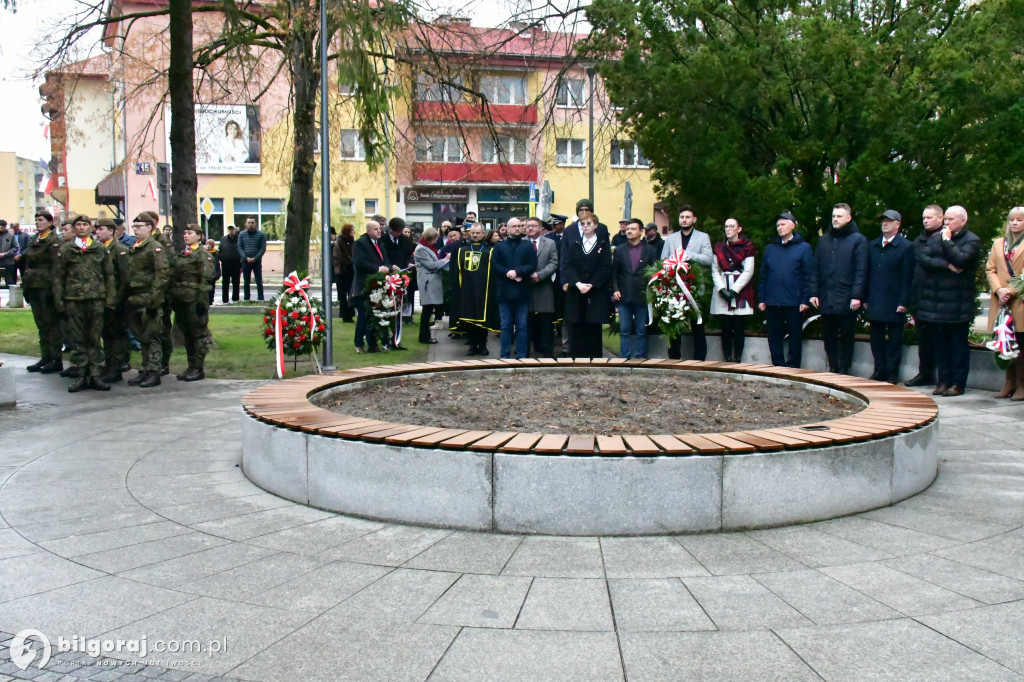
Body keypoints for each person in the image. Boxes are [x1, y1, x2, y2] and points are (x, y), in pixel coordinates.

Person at [914, 205, 981, 396]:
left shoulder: (971, 240)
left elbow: (962, 260)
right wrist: (946, 265)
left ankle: (958, 383)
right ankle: (943, 381)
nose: (947, 223)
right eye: (946, 220)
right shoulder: (936, 237)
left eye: (951, 219)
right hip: (936, 303)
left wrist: (947, 242)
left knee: (958, 346)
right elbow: (924, 258)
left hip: (958, 302)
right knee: (941, 345)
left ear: (963, 220)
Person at [53, 214, 115, 392]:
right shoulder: (66, 250)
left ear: (91, 228)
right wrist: (59, 302)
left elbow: (109, 275)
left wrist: (110, 300)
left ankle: (95, 374)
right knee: (78, 339)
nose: (81, 227)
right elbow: (58, 277)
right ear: (74, 228)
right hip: (74, 300)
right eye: (78, 225)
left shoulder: (100, 249)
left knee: (95, 338)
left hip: (96, 299)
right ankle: (81, 374)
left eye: (85, 224)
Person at [809, 203, 868, 375]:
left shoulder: (858, 240)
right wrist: (813, 292)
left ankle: (844, 368)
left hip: (847, 297)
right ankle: (833, 366)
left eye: (839, 216)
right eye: (833, 216)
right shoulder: (824, 240)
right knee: (828, 335)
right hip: (827, 297)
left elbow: (861, 270)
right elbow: (815, 268)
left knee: (847, 336)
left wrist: (857, 295)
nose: (835, 219)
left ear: (848, 218)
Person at [864, 210, 915, 383]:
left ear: (897, 224)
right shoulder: (873, 245)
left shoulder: (906, 247)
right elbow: (867, 273)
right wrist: (865, 297)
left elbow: (908, 276)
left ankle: (893, 372)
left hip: (895, 300)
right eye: (883, 220)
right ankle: (880, 369)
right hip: (876, 298)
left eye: (889, 220)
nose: (885, 223)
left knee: (894, 339)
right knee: (876, 337)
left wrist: (904, 301)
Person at [758, 212, 814, 367]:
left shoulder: (804, 248)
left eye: (783, 224)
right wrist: (762, 298)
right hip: (772, 301)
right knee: (774, 335)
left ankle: (793, 367)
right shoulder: (770, 249)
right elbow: (764, 275)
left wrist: (805, 299)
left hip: (794, 302)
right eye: (778, 225)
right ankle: (778, 366)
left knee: (795, 336)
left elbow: (808, 276)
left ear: (793, 225)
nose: (780, 227)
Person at [661, 205, 713, 360]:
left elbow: (708, 259)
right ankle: (674, 358)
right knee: (674, 325)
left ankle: (700, 359)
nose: (684, 220)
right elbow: (663, 260)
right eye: (682, 217)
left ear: (694, 219)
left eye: (687, 217)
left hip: (695, 286)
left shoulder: (703, 237)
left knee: (698, 325)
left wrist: (689, 255)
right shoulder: (671, 238)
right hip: (675, 287)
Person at [125, 213, 169, 388]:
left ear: (149, 227)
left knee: (152, 337)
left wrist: (154, 301)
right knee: (141, 336)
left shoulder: (155, 247)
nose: (135, 230)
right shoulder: (134, 247)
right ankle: (145, 369)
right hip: (134, 298)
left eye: (139, 227)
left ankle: (154, 371)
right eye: (134, 227)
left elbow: (162, 276)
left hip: (149, 299)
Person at [986, 206, 1024, 399]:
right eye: (1012, 220)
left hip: (1019, 301)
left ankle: (1021, 385)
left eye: (1020, 219)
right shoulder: (998, 243)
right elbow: (990, 269)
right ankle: (1008, 383)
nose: (1015, 223)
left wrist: (1010, 290)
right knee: (1004, 342)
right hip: (1001, 302)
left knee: (1020, 344)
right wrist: (999, 289)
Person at [169, 224, 214, 381]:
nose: (186, 235)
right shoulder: (183, 253)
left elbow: (206, 279)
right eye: (185, 233)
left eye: (190, 233)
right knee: (187, 334)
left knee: (198, 334)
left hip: (194, 300)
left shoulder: (203, 254)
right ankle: (191, 366)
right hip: (181, 299)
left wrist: (202, 302)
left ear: (199, 236)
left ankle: (198, 368)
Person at [564, 212, 612, 359]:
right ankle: (577, 358)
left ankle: (594, 358)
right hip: (577, 291)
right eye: (582, 224)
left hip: (595, 292)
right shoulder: (575, 244)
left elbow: (605, 267)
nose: (585, 226)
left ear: (595, 226)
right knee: (577, 326)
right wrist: (577, 284)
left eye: (588, 223)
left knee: (593, 327)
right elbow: (568, 265)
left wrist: (591, 284)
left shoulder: (602, 245)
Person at [906, 205, 945, 387]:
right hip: (921, 297)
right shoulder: (919, 240)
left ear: (941, 218)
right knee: (924, 340)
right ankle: (925, 373)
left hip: (941, 297)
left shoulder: (947, 237)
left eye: (930, 217)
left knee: (941, 340)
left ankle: (944, 377)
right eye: (924, 218)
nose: (926, 221)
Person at [23, 211, 64, 374]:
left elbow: (57, 268)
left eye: (41, 220)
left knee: (52, 324)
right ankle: (46, 356)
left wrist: (54, 290)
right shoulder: (34, 239)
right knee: (41, 324)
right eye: (36, 220)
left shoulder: (55, 241)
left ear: (50, 222)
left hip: (46, 286)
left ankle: (56, 358)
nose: (37, 223)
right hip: (33, 285)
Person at [612, 218, 659, 359]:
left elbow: (654, 272)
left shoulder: (650, 250)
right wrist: (615, 289)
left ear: (641, 231)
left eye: (632, 229)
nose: (629, 231)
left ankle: (640, 357)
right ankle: (624, 357)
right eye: (627, 229)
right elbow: (614, 273)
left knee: (641, 330)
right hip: (624, 296)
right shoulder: (620, 250)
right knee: (624, 330)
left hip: (643, 296)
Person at [711, 218, 756, 362]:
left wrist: (735, 290)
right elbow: (715, 270)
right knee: (725, 326)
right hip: (723, 285)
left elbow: (748, 271)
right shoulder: (719, 247)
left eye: (732, 226)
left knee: (738, 325)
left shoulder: (747, 247)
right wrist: (722, 289)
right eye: (726, 226)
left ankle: (737, 356)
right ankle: (727, 356)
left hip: (741, 289)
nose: (728, 229)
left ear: (739, 229)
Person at [492, 217, 537, 359]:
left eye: (519, 226)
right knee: (505, 326)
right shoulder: (499, 246)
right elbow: (495, 265)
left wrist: (518, 272)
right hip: (504, 291)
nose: (517, 228)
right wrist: (509, 273)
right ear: (507, 228)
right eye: (514, 226)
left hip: (522, 291)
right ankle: (504, 355)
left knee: (522, 326)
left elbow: (532, 264)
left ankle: (522, 355)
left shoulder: (527, 246)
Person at [451, 223, 498, 355]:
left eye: (478, 233)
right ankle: (472, 346)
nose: (475, 235)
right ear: (469, 233)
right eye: (473, 233)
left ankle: (483, 345)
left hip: (484, 290)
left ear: (483, 233)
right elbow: (455, 271)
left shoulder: (490, 250)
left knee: (483, 320)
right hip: (467, 290)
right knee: (469, 318)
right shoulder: (462, 249)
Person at [94, 218, 131, 383]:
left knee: (117, 335)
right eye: (97, 229)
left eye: (101, 229)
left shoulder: (120, 250)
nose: (98, 232)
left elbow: (124, 277)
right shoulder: (98, 249)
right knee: (106, 334)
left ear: (111, 231)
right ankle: (108, 364)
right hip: (101, 298)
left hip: (116, 299)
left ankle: (116, 366)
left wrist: (118, 299)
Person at [352, 219, 392, 353]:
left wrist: (390, 267)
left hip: (378, 286)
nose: (379, 230)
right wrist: (377, 269)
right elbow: (360, 263)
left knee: (375, 316)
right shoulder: (360, 244)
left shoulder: (380, 244)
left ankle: (373, 344)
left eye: (380, 228)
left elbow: (385, 260)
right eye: (376, 229)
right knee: (363, 316)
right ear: (368, 231)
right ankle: (358, 344)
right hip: (364, 286)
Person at [526, 216, 559, 357]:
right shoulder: (521, 243)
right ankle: (526, 350)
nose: (530, 228)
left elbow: (554, 262)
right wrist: (527, 274)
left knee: (546, 322)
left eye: (534, 226)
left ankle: (546, 350)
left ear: (540, 228)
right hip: (526, 287)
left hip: (544, 287)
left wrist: (540, 275)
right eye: (528, 226)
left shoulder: (550, 243)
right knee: (527, 322)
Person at [413, 227, 449, 344]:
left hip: (433, 281)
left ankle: (426, 336)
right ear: (429, 239)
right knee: (427, 310)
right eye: (435, 239)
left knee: (429, 309)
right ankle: (424, 336)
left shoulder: (428, 247)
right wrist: (445, 260)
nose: (436, 241)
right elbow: (431, 265)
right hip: (428, 282)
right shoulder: (421, 249)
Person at [238, 217, 266, 300]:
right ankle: (247, 299)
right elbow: (239, 247)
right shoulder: (242, 234)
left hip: (256, 262)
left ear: (255, 223)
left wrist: (255, 258)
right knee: (246, 282)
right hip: (245, 262)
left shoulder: (261, 234)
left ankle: (260, 298)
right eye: (249, 222)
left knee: (259, 281)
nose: (250, 224)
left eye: (252, 222)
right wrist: (245, 257)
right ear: (246, 224)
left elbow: (263, 248)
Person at [333, 223, 355, 322]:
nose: (353, 231)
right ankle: (345, 315)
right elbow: (342, 256)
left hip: (350, 270)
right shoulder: (341, 241)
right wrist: (352, 262)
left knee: (350, 293)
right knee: (343, 294)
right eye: (352, 230)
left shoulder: (350, 241)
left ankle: (349, 314)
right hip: (343, 271)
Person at [219, 224, 242, 303]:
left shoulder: (239, 239)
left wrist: (241, 265)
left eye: (232, 229)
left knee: (236, 282)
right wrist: (222, 259)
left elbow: (242, 250)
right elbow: (220, 251)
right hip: (225, 265)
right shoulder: (223, 239)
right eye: (230, 229)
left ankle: (235, 299)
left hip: (236, 265)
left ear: (235, 229)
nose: (231, 230)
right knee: (225, 283)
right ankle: (225, 300)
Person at [0, 220, 19, 288]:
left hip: (8, 263)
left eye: (2, 226)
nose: (1, 228)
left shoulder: (10, 236)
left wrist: (5, 254)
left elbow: (16, 248)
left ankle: (10, 297)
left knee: (9, 283)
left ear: (5, 227)